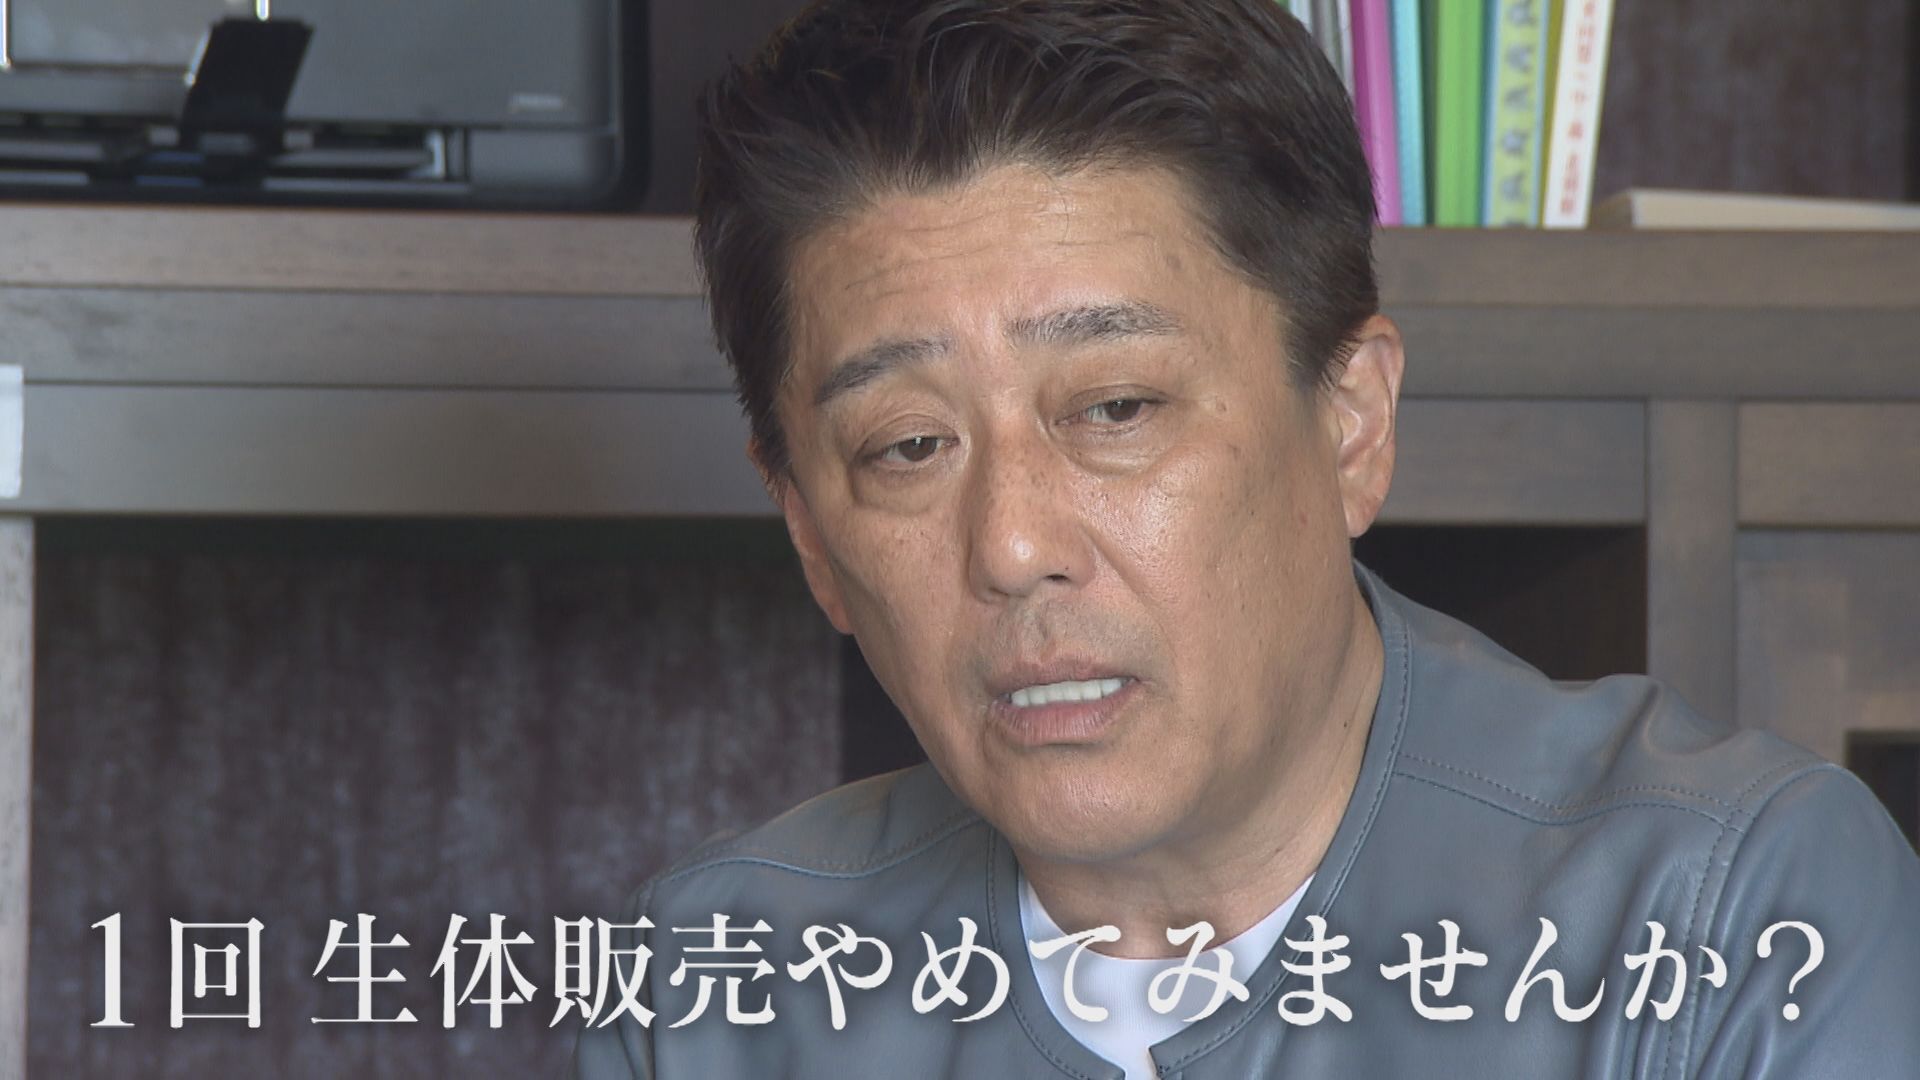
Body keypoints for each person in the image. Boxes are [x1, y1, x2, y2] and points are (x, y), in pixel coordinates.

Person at [572, 1, 1920, 1076]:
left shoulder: (1731, 909)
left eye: (1115, 408)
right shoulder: (716, 993)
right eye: (909, 446)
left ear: (1350, 422)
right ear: (812, 535)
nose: (1014, 546)